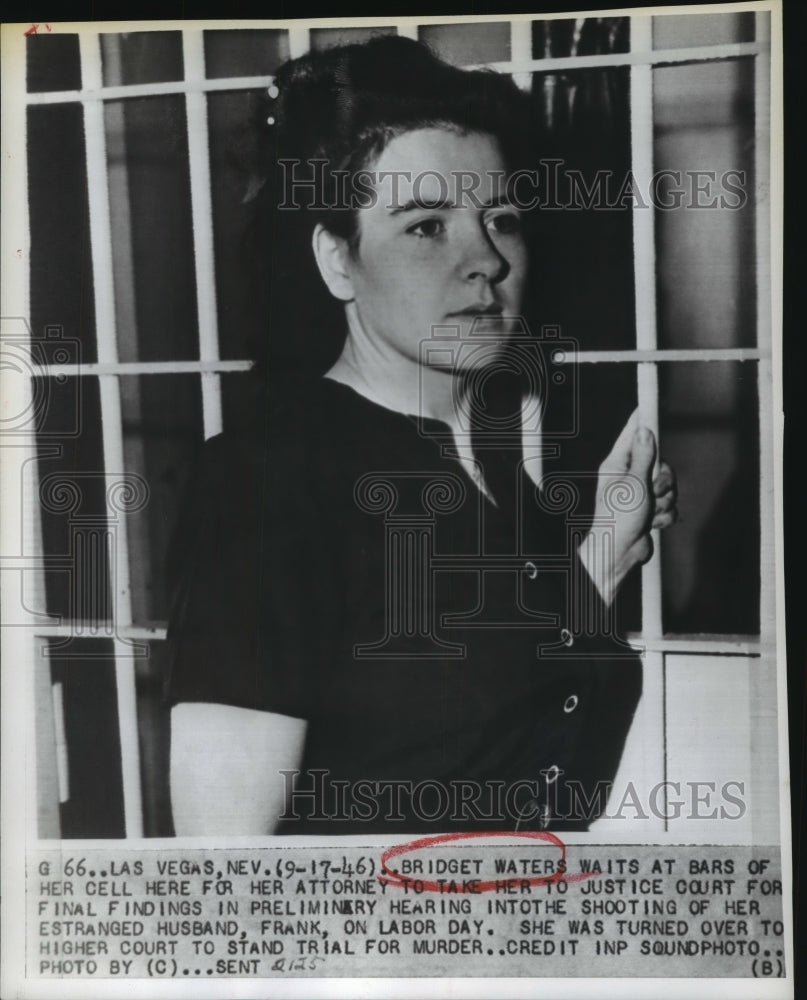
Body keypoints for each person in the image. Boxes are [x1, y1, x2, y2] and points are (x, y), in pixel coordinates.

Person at [165, 36, 677, 835]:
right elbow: (225, 870)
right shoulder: (264, 483)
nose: (486, 261)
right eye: (425, 225)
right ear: (338, 260)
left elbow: (497, 720)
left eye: (501, 218)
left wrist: (605, 552)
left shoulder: (503, 470)